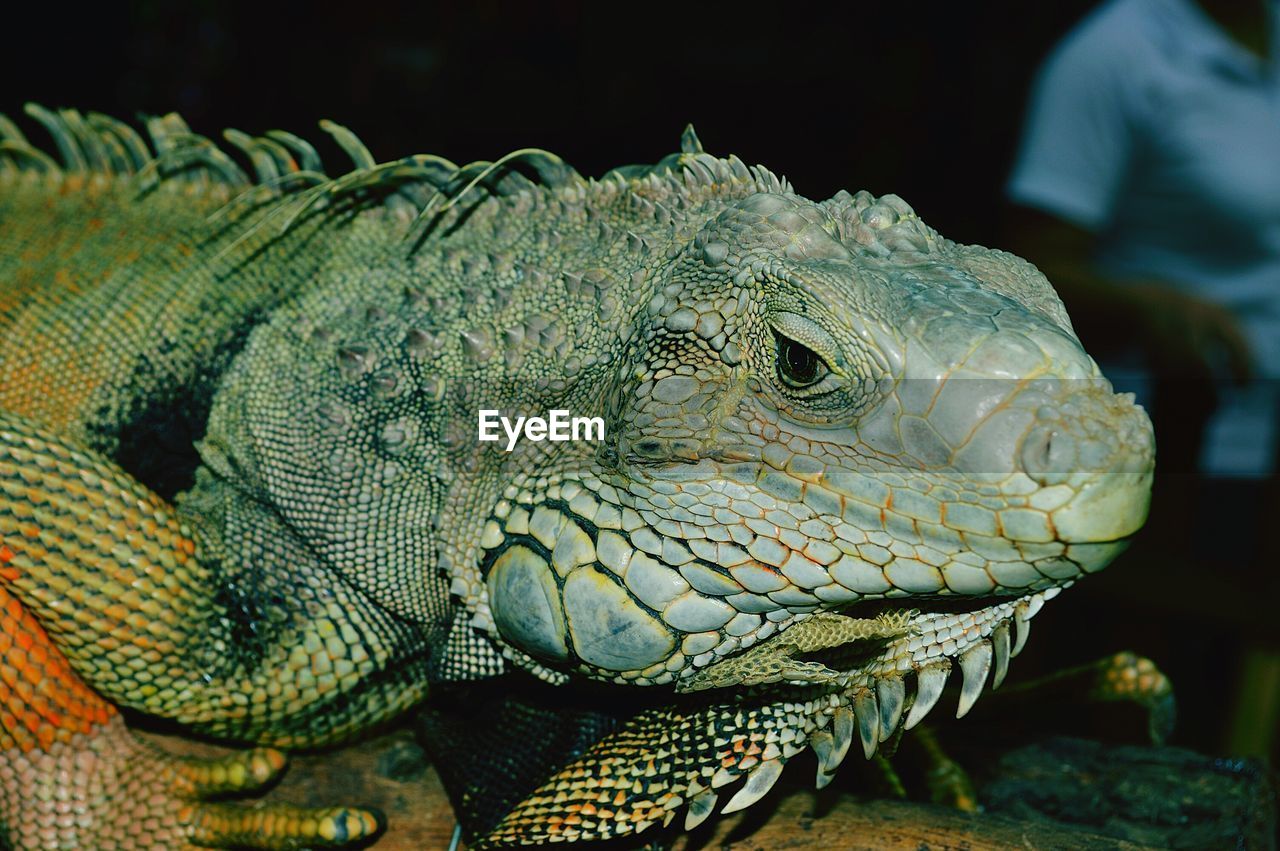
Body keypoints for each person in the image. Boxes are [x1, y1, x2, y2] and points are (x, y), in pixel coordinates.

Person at [1003, 0, 1280, 759]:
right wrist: (1153, 305)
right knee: (1144, 703)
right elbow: (1027, 268)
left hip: (1266, 470)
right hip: (1170, 449)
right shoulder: (1118, 51)